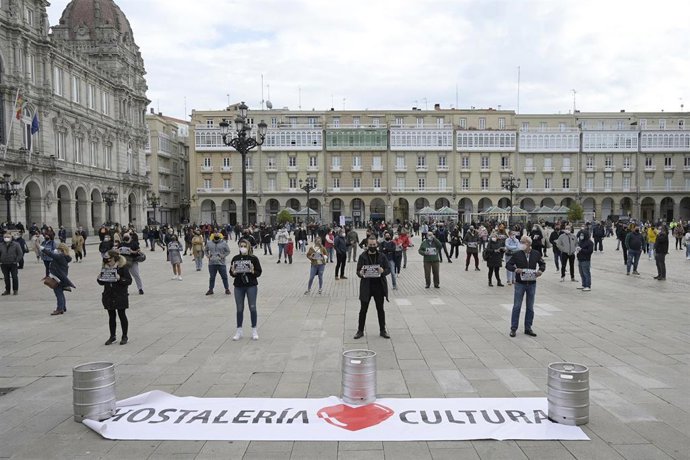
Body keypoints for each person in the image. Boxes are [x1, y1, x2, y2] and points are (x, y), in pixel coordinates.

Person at [506, 235, 546, 337]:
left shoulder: (536, 253)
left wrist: (540, 271)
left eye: (523, 242)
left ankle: (528, 327)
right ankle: (513, 328)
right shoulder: (517, 254)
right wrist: (515, 270)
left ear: (528, 244)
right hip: (520, 284)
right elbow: (508, 264)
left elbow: (542, 264)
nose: (521, 244)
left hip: (531, 283)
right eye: (521, 242)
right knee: (517, 306)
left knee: (530, 307)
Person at [354, 236, 391, 339]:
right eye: (370, 245)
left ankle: (382, 330)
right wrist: (360, 273)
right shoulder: (362, 256)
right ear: (367, 245)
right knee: (363, 310)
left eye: (374, 245)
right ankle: (360, 330)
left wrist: (383, 271)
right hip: (367, 286)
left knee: (380, 309)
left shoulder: (382, 256)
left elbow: (388, 269)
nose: (372, 247)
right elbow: (357, 271)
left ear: (377, 245)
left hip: (379, 286)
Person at [229, 239, 263, 340]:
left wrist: (253, 271)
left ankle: (254, 329)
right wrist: (233, 272)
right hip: (239, 285)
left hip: (251, 285)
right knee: (239, 308)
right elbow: (232, 272)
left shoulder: (253, 258)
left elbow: (259, 272)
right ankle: (239, 330)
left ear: (248, 247)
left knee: (252, 307)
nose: (242, 248)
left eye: (244, 246)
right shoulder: (236, 258)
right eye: (241, 246)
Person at [97, 250, 133, 345]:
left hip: (120, 295)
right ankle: (112, 336)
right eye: (105, 260)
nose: (107, 262)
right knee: (111, 316)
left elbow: (129, 281)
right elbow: (102, 282)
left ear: (114, 258)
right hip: (109, 295)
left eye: (109, 260)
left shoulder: (122, 267)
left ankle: (124, 336)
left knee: (122, 315)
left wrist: (119, 279)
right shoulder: (105, 268)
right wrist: (99, 278)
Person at [42, 243, 75, 316]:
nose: (56, 250)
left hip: (58, 278)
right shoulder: (65, 256)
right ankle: (63, 307)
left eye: (58, 249)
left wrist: (42, 248)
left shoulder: (60, 256)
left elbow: (51, 254)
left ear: (61, 250)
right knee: (60, 292)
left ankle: (60, 309)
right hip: (62, 278)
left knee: (58, 293)